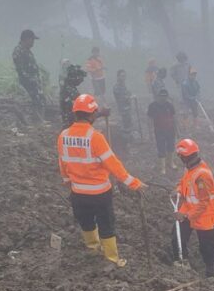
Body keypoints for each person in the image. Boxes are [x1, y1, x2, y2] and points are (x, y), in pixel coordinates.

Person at [57, 94, 146, 267]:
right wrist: (134, 183)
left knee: (87, 222)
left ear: (75, 114)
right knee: (106, 224)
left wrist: (67, 180)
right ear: (92, 115)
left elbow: (63, 162)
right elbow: (114, 165)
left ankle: (92, 249)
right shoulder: (95, 137)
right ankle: (111, 259)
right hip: (100, 193)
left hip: (78, 192)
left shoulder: (63, 136)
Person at [172, 139, 214, 277]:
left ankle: (211, 273)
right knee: (177, 237)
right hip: (189, 209)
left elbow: (204, 202)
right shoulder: (190, 168)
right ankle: (182, 263)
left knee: (206, 247)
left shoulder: (202, 175)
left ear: (183, 157)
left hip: (204, 214)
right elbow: (184, 183)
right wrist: (178, 191)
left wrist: (186, 216)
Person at [11, 29, 45, 122]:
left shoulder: (27, 51)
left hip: (33, 83)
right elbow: (20, 70)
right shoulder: (18, 51)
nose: (33, 42)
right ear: (26, 39)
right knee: (34, 101)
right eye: (32, 40)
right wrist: (31, 80)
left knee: (39, 101)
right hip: (26, 83)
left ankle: (38, 120)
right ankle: (36, 121)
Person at [147, 89, 177, 175]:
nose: (163, 98)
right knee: (161, 147)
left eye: (165, 96)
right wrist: (150, 132)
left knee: (171, 146)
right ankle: (162, 167)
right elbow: (149, 119)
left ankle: (170, 162)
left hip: (170, 129)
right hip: (159, 130)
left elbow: (174, 117)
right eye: (161, 96)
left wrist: (177, 130)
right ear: (158, 96)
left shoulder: (170, 105)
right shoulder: (153, 106)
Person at [113, 69, 134, 135]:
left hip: (127, 108)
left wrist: (130, 96)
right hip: (122, 109)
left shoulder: (124, 86)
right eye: (122, 76)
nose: (124, 78)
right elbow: (121, 98)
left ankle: (129, 139)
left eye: (124, 76)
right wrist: (130, 97)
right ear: (118, 76)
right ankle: (125, 141)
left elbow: (128, 93)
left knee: (129, 124)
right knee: (124, 125)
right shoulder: (117, 86)